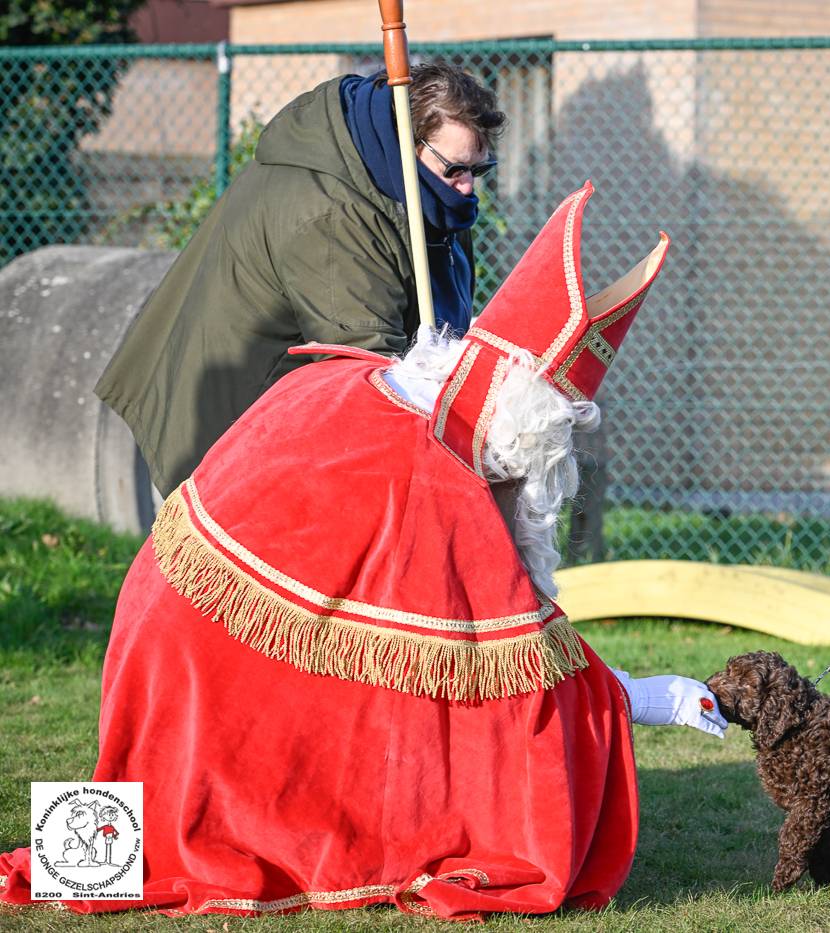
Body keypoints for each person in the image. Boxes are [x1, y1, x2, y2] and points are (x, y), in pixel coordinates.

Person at [0, 182, 726, 920]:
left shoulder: (377, 387)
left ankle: (84, 850)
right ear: (516, 434)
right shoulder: (433, 476)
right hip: (217, 662)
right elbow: (518, 689)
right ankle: (96, 853)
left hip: (170, 627)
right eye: (536, 464)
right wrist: (645, 696)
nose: (529, 491)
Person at [95, 62, 503, 499]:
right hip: (231, 423)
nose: (466, 189)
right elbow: (365, 370)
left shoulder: (420, 190)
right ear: (405, 143)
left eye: (478, 172)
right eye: (455, 170)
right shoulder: (331, 214)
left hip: (294, 424)